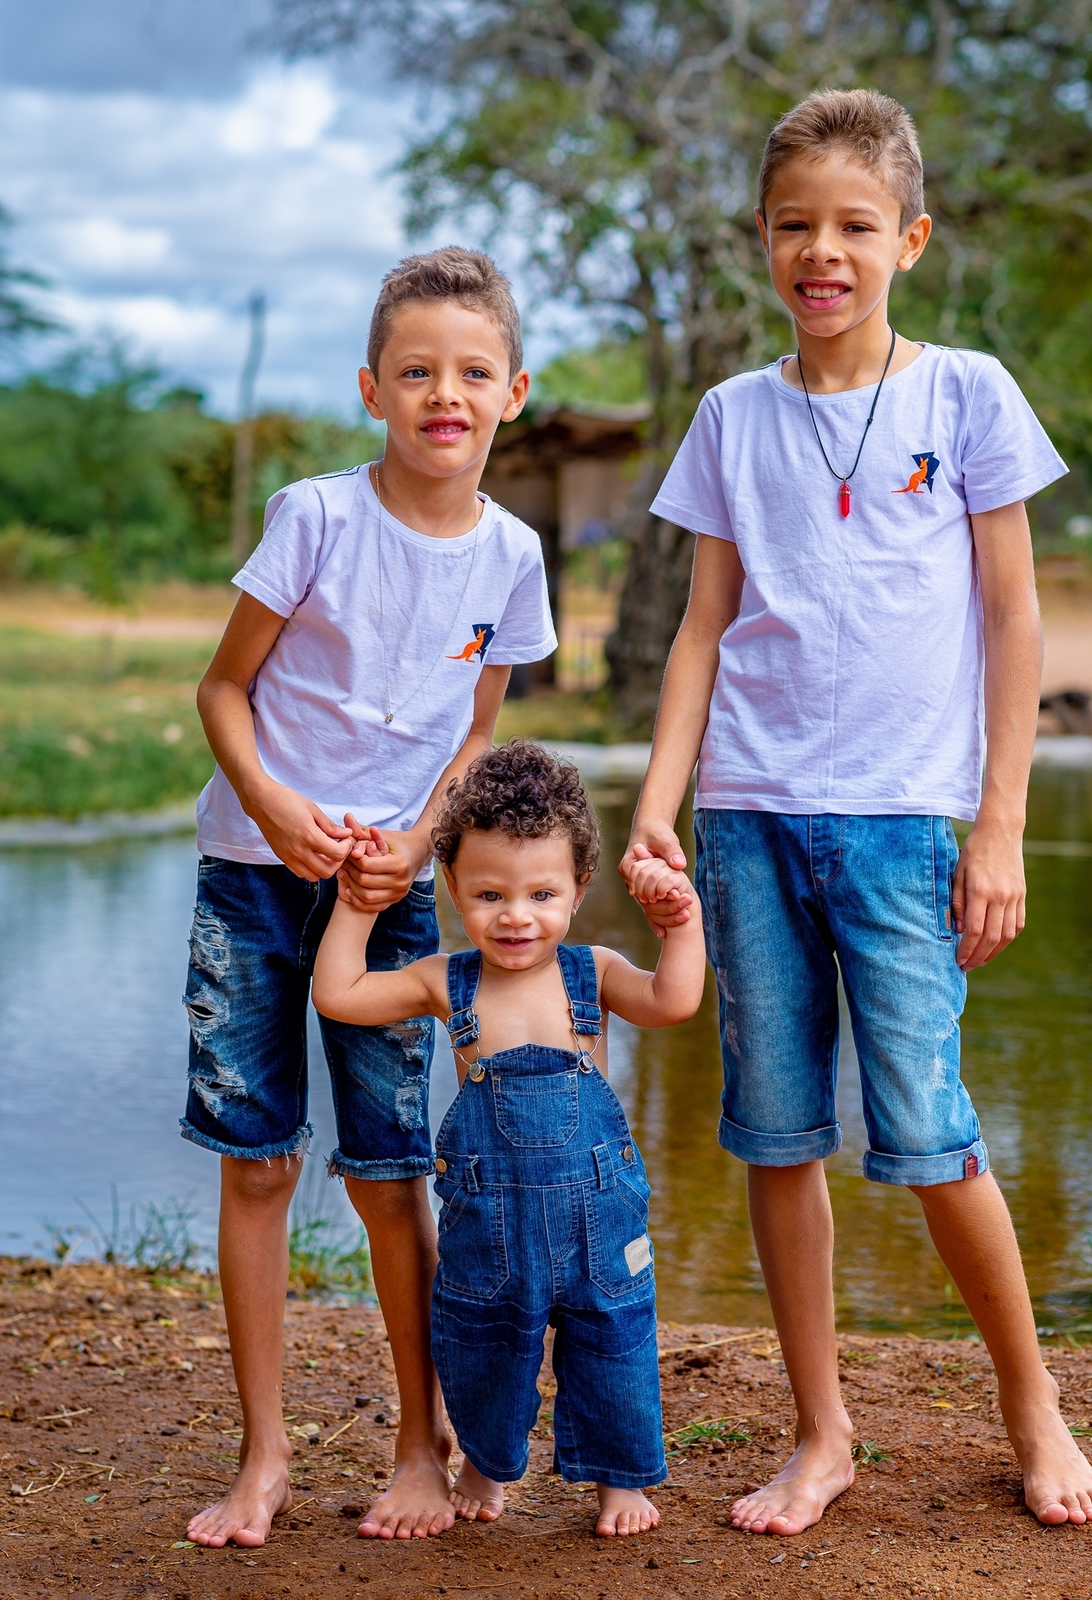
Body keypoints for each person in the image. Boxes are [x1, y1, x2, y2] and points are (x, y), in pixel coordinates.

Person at [621, 88, 1092, 1535]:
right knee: (777, 1135)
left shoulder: (965, 394)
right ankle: (821, 1433)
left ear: (909, 237)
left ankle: (1034, 1403)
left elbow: (1015, 619)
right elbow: (703, 630)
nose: (818, 252)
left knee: (932, 1127)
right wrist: (658, 808)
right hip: (749, 818)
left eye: (850, 226)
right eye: (793, 226)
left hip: (905, 826)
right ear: (761, 242)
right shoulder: (731, 415)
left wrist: (1000, 824)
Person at [182, 248, 558, 1548]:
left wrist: (420, 838)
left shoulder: (512, 557)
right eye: (415, 372)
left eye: (469, 372)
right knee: (259, 1166)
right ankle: (264, 1457)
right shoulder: (315, 518)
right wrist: (280, 810)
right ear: (371, 389)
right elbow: (222, 691)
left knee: (394, 1175)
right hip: (252, 879)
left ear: (514, 390)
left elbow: (476, 735)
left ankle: (421, 1440)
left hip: (391, 893)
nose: (441, 394)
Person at [312, 740, 707, 1537]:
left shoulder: (591, 971)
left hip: (600, 1220)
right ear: (452, 886)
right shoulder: (445, 980)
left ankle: (618, 1480)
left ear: (579, 888)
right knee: (484, 1343)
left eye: (540, 893)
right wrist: (359, 903)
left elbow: (673, 1002)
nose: (515, 915)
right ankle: (485, 1460)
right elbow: (340, 993)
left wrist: (680, 926)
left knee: (615, 1340)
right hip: (490, 1227)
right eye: (489, 893)